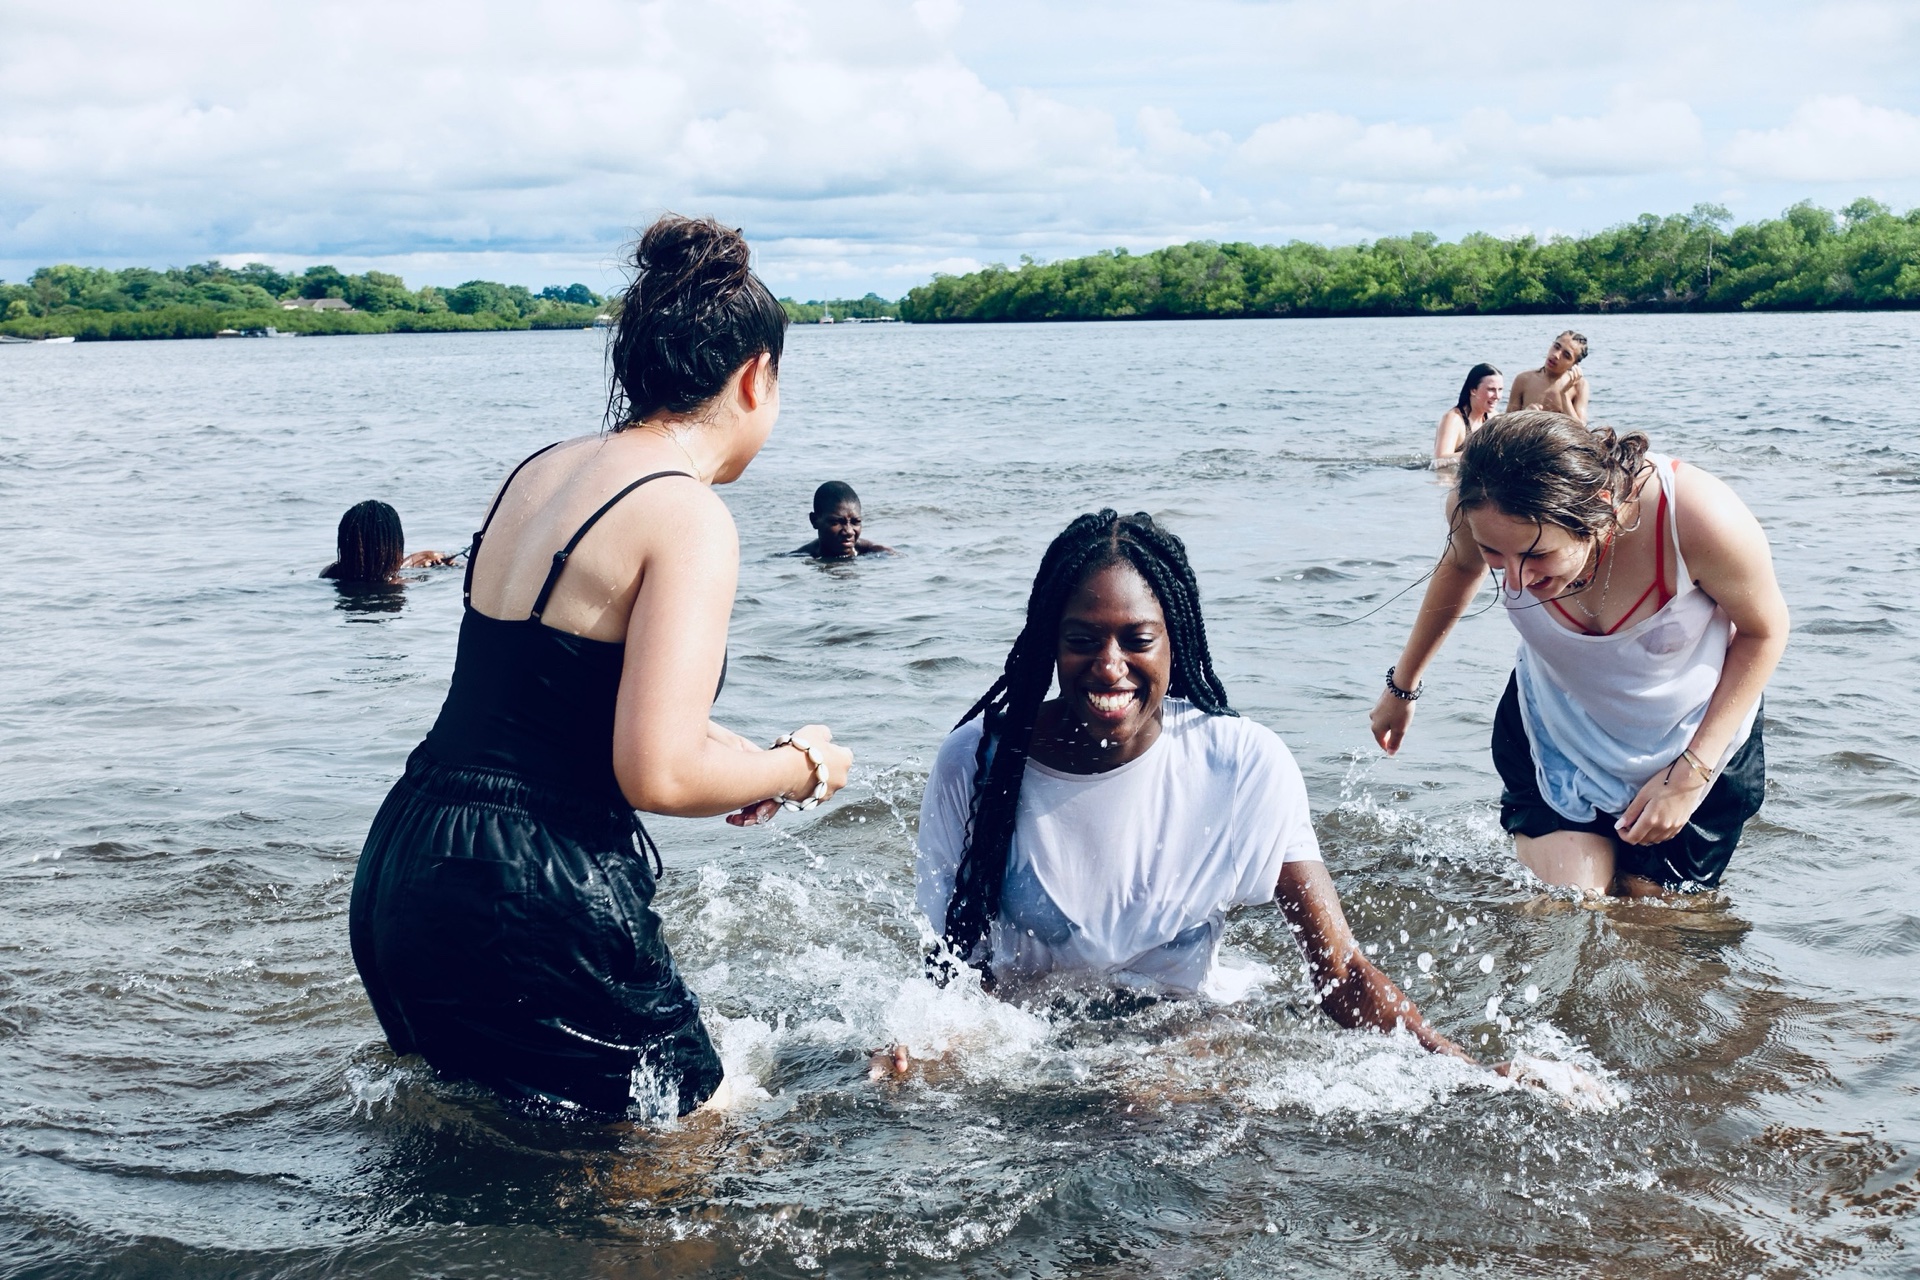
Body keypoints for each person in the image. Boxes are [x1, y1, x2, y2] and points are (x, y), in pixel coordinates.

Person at [349, 215, 854, 1120]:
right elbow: (655, 773)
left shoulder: (541, 469)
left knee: (488, 1152)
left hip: (409, 855)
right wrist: (803, 768)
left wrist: (729, 752)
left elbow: (545, 694)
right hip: (536, 881)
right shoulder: (686, 511)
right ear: (755, 378)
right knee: (697, 1143)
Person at [908, 509, 1476, 1063]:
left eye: (1137, 639)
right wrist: (919, 1053)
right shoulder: (977, 763)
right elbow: (951, 975)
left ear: (1172, 640)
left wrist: (1467, 1073)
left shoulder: (1241, 764)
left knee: (1144, 1102)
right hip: (1033, 1054)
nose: (1110, 666)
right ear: (1051, 645)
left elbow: (1342, 974)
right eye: (1083, 639)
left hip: (1187, 1048)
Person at [1370, 411, 1788, 897]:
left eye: (1537, 555)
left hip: (1694, 740)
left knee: (1651, 927)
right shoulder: (1477, 507)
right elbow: (1459, 568)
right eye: (1496, 555)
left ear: (1599, 509)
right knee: (1569, 910)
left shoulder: (1696, 518)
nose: (1517, 581)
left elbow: (1765, 632)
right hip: (1558, 732)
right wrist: (1402, 687)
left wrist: (1693, 773)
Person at [319, 499, 454, 581]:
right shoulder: (404, 585)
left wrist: (415, 559)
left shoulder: (328, 574)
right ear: (395, 545)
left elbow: (370, 571)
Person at [791, 480, 894, 559]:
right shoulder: (799, 557)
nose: (849, 531)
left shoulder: (880, 554)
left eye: (855, 522)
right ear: (814, 521)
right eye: (836, 522)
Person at [1507, 331, 1590, 423]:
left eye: (1566, 355)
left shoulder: (1579, 385)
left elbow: (1581, 430)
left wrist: (1564, 394)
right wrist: (1525, 416)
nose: (1556, 355)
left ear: (1574, 364)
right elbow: (1505, 426)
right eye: (1556, 347)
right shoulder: (1523, 379)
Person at [1432, 364, 1502, 467]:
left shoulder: (1494, 417)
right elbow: (1439, 460)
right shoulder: (1453, 419)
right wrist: (1480, 453)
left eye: (1500, 389)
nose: (1497, 396)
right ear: (1473, 390)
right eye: (1491, 389)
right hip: (1449, 478)